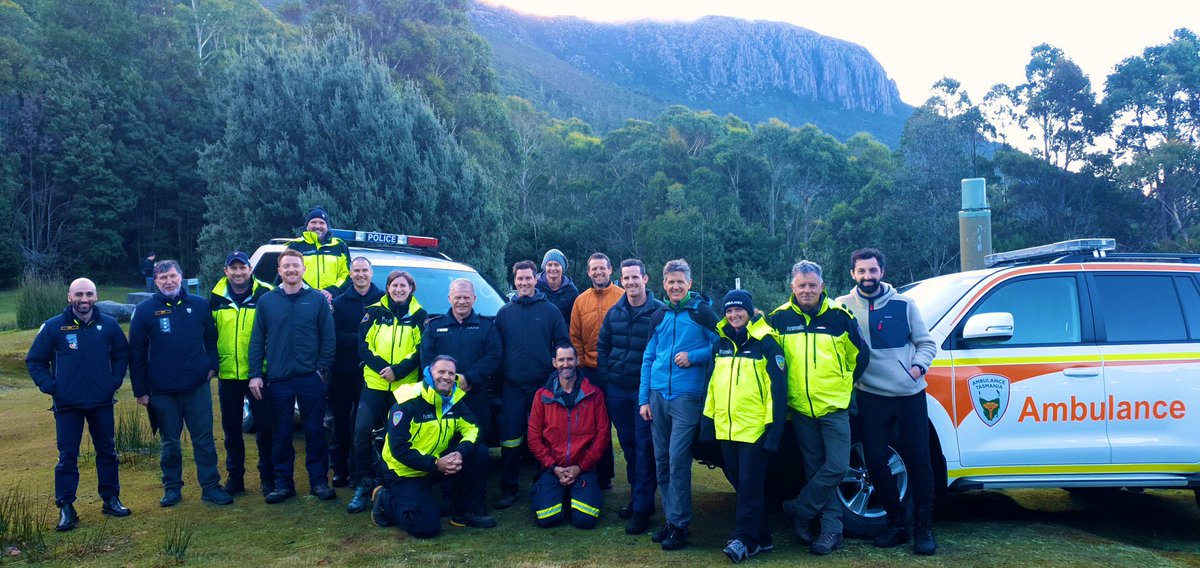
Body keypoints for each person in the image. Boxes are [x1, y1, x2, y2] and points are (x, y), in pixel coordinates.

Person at [836, 248, 938, 555]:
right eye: (862, 271)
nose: (868, 276)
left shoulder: (904, 304)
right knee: (876, 462)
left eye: (873, 270)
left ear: (882, 271)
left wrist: (918, 367)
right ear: (852, 274)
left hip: (909, 394)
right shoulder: (841, 306)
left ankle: (923, 529)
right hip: (870, 395)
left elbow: (926, 342)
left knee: (920, 461)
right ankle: (897, 523)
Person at [767, 260, 867, 555]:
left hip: (834, 406)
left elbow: (859, 357)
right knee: (814, 470)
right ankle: (830, 530)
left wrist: (842, 385)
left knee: (836, 466)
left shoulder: (840, 315)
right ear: (793, 287)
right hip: (800, 409)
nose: (807, 290)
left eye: (812, 285)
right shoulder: (779, 319)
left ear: (822, 286)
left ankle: (799, 509)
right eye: (802, 286)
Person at [26, 278, 131, 531]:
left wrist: (114, 380)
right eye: (79, 294)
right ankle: (66, 507)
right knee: (67, 457)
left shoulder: (109, 325)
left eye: (90, 294)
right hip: (67, 405)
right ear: (69, 297)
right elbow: (35, 360)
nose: (85, 299)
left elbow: (121, 354)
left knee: (107, 451)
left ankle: (111, 499)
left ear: (96, 296)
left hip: (101, 401)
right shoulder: (53, 327)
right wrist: (51, 386)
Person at [130, 260, 232, 507]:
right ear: (156, 281)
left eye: (173, 276)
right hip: (162, 392)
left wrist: (212, 367)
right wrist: (141, 391)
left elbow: (212, 339)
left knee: (204, 440)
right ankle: (172, 488)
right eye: (163, 278)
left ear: (181, 277)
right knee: (170, 443)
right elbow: (136, 353)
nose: (169, 281)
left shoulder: (198, 305)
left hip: (196, 387)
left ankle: (210, 486)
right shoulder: (144, 311)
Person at [638, 259, 719, 551]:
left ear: (689, 283)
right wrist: (643, 399)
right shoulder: (658, 315)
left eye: (680, 282)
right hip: (658, 396)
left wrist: (694, 356)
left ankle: (680, 525)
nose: (675, 286)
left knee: (677, 460)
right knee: (661, 461)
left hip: (687, 398)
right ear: (663, 284)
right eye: (670, 282)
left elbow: (721, 343)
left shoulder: (702, 313)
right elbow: (648, 357)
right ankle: (671, 521)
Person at [702, 290, 787, 562]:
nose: (733, 315)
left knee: (750, 485)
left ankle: (743, 539)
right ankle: (763, 537)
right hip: (727, 428)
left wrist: (773, 432)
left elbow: (778, 392)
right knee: (742, 484)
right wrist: (707, 423)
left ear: (750, 312)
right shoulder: (722, 343)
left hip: (755, 430)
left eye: (739, 310)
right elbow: (712, 387)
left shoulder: (767, 343)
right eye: (728, 310)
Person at [248, 249, 337, 504]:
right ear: (279, 271)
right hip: (278, 379)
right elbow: (257, 341)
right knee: (281, 433)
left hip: (311, 378)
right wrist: (255, 374)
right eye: (286, 266)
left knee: (315, 432)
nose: (291, 270)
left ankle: (319, 482)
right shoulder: (267, 301)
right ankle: (283, 484)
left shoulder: (317, 300)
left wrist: (321, 370)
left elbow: (328, 338)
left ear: (304, 269)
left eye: (295, 266)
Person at [372, 356, 497, 537]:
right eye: (441, 372)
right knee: (426, 528)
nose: (446, 377)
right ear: (429, 373)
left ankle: (465, 511)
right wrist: (436, 464)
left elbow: (474, 428)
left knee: (478, 452)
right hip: (403, 471)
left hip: (435, 465)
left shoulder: (453, 399)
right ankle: (385, 499)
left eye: (451, 373)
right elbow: (399, 449)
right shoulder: (408, 401)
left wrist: (460, 453)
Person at [347, 270, 428, 514]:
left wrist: (398, 371)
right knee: (361, 431)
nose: (399, 289)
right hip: (375, 383)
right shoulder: (373, 312)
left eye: (404, 286)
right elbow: (363, 345)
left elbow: (420, 351)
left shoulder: (419, 315)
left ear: (411, 289)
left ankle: (393, 481)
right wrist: (384, 368)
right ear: (388, 288)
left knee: (400, 435)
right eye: (394, 285)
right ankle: (363, 482)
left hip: (404, 388)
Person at [493, 260, 570, 509]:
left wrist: (553, 369)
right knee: (510, 439)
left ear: (536, 280)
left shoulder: (550, 311)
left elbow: (562, 344)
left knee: (544, 437)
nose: (524, 283)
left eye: (528, 278)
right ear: (514, 281)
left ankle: (544, 483)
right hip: (513, 386)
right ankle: (509, 488)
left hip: (543, 385)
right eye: (520, 279)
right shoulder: (504, 312)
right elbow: (497, 349)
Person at [597, 259, 663, 535]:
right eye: (626, 278)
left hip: (643, 393)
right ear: (621, 280)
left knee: (644, 448)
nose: (631, 282)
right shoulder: (615, 313)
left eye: (636, 277)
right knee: (628, 447)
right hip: (618, 391)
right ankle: (639, 499)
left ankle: (642, 509)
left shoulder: (658, 312)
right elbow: (603, 347)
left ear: (646, 279)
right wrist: (607, 378)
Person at [210, 251, 275, 497]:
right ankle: (235, 478)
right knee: (231, 430)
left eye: (242, 267)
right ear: (226, 270)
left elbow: (274, 330)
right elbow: (210, 334)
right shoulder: (216, 296)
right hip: (228, 375)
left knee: (265, 428)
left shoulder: (266, 293)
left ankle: (267, 478)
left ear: (250, 269)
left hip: (259, 373)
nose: (238, 272)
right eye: (233, 268)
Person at [527, 345, 610, 529]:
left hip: (583, 468)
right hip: (552, 468)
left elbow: (603, 436)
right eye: (562, 360)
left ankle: (579, 492)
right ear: (554, 363)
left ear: (578, 361)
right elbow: (533, 437)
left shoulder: (594, 394)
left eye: (570, 359)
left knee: (586, 520)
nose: (566, 364)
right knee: (547, 518)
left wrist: (580, 467)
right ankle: (550, 490)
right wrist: (553, 466)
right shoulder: (542, 396)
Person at [420, 279, 501, 443]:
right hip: (442, 397)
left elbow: (494, 356)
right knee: (442, 445)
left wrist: (468, 378)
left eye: (466, 297)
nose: (462, 301)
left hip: (475, 396)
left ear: (474, 299)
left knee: (475, 445)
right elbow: (427, 359)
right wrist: (447, 382)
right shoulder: (434, 326)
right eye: (457, 297)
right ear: (449, 298)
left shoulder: (487, 326)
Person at [569, 252, 623, 490]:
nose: (598, 272)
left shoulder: (622, 297)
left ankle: (628, 477)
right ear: (588, 272)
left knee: (621, 425)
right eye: (594, 269)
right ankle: (599, 475)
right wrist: (580, 361)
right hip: (590, 371)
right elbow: (574, 335)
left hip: (618, 371)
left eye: (603, 268)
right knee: (594, 426)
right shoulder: (580, 301)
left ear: (610, 270)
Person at [329, 257, 384, 488]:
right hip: (343, 371)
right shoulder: (340, 303)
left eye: (365, 270)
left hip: (374, 373)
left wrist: (360, 341)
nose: (360, 275)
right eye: (356, 271)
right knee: (340, 422)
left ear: (372, 273)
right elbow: (335, 336)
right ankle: (340, 470)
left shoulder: (384, 300)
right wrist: (364, 340)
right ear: (350, 275)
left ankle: (362, 470)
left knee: (364, 425)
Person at [285, 206, 351, 302]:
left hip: (333, 302)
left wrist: (331, 291)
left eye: (322, 223)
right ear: (307, 225)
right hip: (301, 301)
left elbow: (347, 274)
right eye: (313, 222)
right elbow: (289, 273)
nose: (317, 226)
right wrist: (310, 292)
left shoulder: (339, 246)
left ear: (327, 226)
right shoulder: (295, 246)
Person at [536, 248, 579, 324]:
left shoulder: (571, 291)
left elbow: (574, 320)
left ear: (562, 268)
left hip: (562, 334)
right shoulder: (535, 286)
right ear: (544, 267)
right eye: (549, 265)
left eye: (556, 265)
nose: (553, 268)